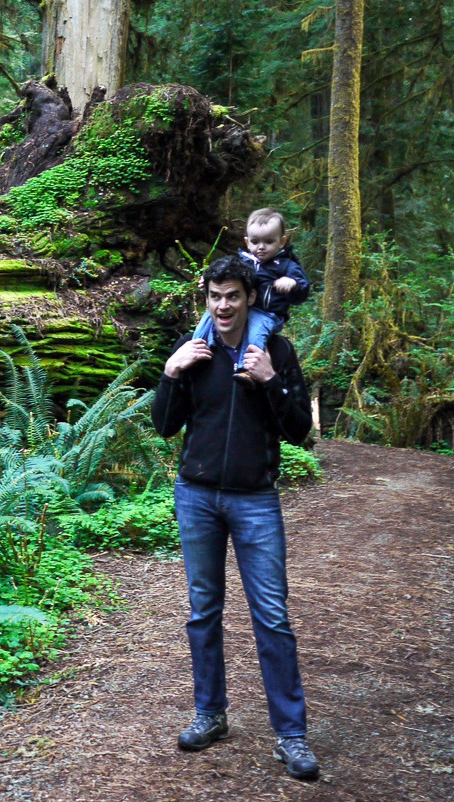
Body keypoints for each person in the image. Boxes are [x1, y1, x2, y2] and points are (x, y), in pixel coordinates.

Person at [151, 254, 320, 781]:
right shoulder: (194, 350)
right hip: (196, 496)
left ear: (250, 297)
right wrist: (170, 372)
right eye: (214, 297)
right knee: (203, 611)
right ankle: (211, 714)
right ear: (207, 300)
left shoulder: (275, 349)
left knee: (272, 616)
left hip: (255, 500)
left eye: (233, 296)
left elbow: (297, 432)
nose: (223, 306)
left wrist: (270, 380)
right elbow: (163, 425)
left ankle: (291, 736)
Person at [191, 208, 310, 388]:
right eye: (255, 241)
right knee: (207, 319)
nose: (261, 247)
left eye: (269, 241)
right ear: (247, 242)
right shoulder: (245, 261)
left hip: (268, 314)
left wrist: (292, 283)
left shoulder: (286, 265)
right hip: (244, 309)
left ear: (282, 242)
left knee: (255, 333)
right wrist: (208, 281)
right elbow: (226, 277)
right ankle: (197, 350)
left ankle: (246, 369)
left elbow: (303, 290)